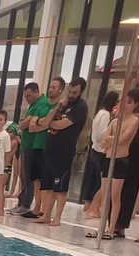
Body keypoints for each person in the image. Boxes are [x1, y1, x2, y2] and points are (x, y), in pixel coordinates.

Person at [85, 90, 139, 240]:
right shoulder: (115, 122)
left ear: (135, 104)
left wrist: (111, 138)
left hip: (120, 160)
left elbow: (123, 140)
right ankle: (102, 227)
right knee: (105, 196)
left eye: (129, 102)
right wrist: (112, 139)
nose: (124, 105)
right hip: (108, 159)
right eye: (122, 101)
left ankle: (111, 229)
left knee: (115, 196)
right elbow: (103, 141)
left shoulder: (134, 120)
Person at [35, 76, 88, 227]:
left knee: (60, 187)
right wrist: (58, 107)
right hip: (50, 150)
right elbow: (48, 120)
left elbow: (61, 125)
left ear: (81, 92)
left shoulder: (81, 107)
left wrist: (46, 124)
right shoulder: (64, 105)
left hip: (63, 153)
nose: (71, 95)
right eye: (70, 91)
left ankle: (57, 218)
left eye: (75, 92)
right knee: (47, 185)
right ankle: (46, 215)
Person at [111, 60, 139, 239]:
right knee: (117, 184)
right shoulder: (132, 95)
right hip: (124, 147)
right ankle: (112, 222)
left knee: (131, 185)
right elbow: (118, 114)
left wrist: (129, 117)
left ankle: (120, 224)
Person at [13, 81, 54, 217]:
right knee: (23, 175)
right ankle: (22, 201)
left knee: (29, 177)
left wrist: (24, 123)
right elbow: (24, 123)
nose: (27, 99)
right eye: (25, 96)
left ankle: (26, 204)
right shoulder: (33, 105)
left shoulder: (42, 104)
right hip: (27, 144)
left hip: (33, 145)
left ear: (36, 91)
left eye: (29, 96)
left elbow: (26, 124)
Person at [82, 90, 120, 216]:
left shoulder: (100, 113)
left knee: (96, 180)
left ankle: (91, 206)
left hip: (96, 150)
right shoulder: (105, 115)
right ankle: (93, 207)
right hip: (100, 151)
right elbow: (100, 135)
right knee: (101, 182)